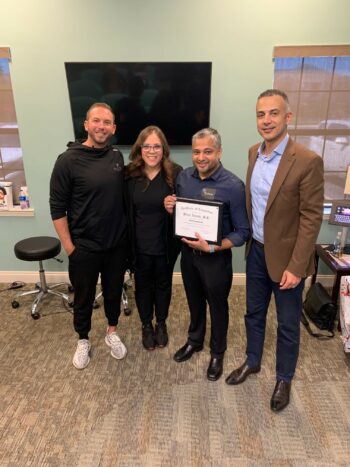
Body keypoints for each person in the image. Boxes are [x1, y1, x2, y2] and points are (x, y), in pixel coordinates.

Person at [225, 89, 324, 412]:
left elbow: (311, 218)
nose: (266, 120)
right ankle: (253, 361)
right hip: (256, 252)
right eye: (260, 114)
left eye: (273, 113)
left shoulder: (308, 160)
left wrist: (297, 267)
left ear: (288, 117)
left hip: (287, 260)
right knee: (253, 313)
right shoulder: (254, 152)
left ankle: (284, 377)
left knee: (286, 323)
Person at [164, 128, 250, 381]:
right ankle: (195, 340)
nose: (201, 157)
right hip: (189, 256)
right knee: (193, 301)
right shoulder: (184, 178)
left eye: (208, 152)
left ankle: (217, 351)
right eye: (197, 152)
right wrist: (171, 207)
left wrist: (214, 246)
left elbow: (243, 231)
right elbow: (183, 213)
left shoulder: (233, 186)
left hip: (215, 259)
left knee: (218, 306)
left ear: (219, 152)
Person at [50, 102, 128, 370]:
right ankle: (83, 339)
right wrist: (70, 248)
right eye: (97, 121)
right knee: (83, 298)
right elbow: (57, 208)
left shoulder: (117, 157)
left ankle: (112, 332)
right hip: (83, 248)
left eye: (107, 122)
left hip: (116, 247)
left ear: (113, 128)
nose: (101, 126)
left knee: (114, 293)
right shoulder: (67, 160)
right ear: (86, 124)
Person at [125, 126, 182, 350]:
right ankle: (146, 324)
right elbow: (123, 211)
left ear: (163, 149)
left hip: (165, 244)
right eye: (146, 146)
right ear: (140, 148)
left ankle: (161, 323)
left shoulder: (176, 173)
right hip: (138, 245)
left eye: (156, 146)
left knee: (164, 284)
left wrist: (173, 210)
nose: (151, 151)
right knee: (143, 287)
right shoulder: (129, 175)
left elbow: (186, 211)